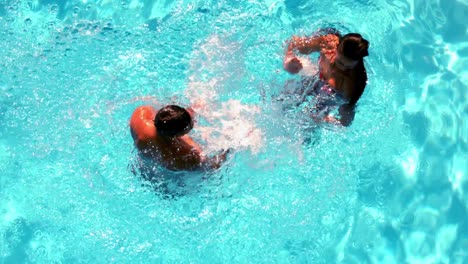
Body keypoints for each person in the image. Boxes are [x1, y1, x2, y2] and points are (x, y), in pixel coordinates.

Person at [283, 31, 369, 126]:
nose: (342, 69)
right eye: (339, 62)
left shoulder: (354, 83)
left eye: (348, 68)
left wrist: (323, 120)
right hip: (313, 80)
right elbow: (294, 41)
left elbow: (345, 121)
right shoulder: (328, 44)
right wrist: (288, 60)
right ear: (336, 48)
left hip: (326, 102)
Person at [129, 104, 229, 171]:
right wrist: (229, 147)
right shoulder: (179, 157)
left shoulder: (141, 115)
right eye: (190, 126)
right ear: (178, 135)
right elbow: (211, 167)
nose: (193, 123)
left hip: (144, 154)